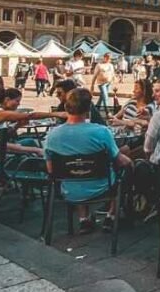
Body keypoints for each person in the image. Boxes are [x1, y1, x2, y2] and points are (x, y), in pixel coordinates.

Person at [45, 88, 132, 233]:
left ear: (66, 107)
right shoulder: (101, 132)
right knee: (127, 167)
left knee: (77, 168)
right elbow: (120, 161)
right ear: (88, 108)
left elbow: (50, 169)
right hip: (102, 188)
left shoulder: (52, 135)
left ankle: (83, 218)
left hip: (68, 190)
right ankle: (111, 214)